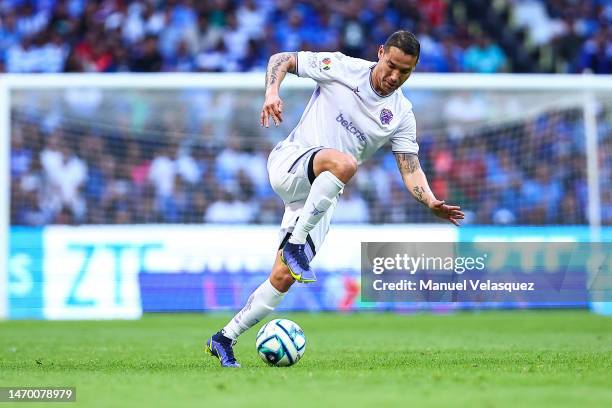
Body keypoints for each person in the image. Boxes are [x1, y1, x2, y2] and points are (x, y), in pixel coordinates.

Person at [206, 30, 464, 367]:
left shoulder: (401, 114)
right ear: (380, 52)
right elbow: (280, 59)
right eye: (391, 65)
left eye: (405, 72)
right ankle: (296, 244)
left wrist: (430, 200)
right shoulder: (341, 68)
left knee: (283, 277)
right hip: (291, 163)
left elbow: (410, 167)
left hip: (320, 198)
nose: (394, 76)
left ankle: (224, 338)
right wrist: (272, 91)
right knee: (345, 162)